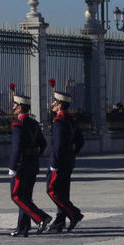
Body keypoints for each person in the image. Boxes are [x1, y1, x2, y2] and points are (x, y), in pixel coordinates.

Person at [8, 93, 50, 237]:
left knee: (17, 195)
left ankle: (41, 218)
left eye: (15, 105)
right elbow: (43, 144)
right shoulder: (34, 123)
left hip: (22, 166)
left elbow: (16, 148)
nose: (13, 107)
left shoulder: (18, 125)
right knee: (26, 197)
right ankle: (23, 227)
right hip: (32, 164)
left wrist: (13, 167)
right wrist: (35, 156)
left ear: (20, 107)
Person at [43, 89, 85, 233]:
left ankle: (74, 214)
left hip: (59, 163)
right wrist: (71, 154)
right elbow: (80, 141)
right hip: (68, 162)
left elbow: (58, 146)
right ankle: (60, 221)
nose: (52, 104)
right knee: (63, 192)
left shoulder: (59, 121)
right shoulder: (71, 120)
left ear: (60, 104)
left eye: (54, 102)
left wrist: (54, 164)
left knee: (52, 190)